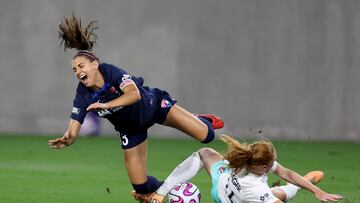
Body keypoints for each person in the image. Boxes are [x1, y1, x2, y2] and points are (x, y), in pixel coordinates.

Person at [48, 14, 224, 198]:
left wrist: (106, 104)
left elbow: (134, 94)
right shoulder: (83, 94)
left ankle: (199, 119)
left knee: (207, 136)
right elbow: (74, 126)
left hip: (154, 106)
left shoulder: (110, 72)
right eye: (74, 69)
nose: (78, 72)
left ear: (94, 64)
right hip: (130, 129)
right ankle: (171, 192)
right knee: (142, 188)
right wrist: (68, 138)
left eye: (81, 66)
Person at [133, 135, 343, 203]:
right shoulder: (256, 188)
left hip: (221, 182)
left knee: (204, 154)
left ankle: (159, 195)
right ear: (262, 167)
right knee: (280, 193)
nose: (275, 165)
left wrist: (317, 191)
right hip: (230, 198)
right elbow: (283, 181)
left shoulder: (245, 157)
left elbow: (286, 172)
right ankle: (297, 187)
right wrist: (315, 191)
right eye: (272, 164)